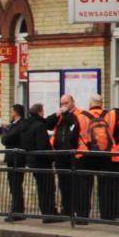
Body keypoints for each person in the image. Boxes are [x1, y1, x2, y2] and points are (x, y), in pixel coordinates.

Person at [44, 94, 86, 223]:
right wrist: (57, 114)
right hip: (60, 155)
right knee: (64, 184)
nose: (64, 105)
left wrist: (66, 114)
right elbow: (47, 124)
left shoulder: (78, 115)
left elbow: (75, 132)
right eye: (62, 103)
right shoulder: (60, 116)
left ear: (73, 102)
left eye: (66, 103)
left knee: (76, 185)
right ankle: (66, 209)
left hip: (74, 155)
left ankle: (78, 212)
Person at [72, 95, 112, 222]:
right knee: (105, 186)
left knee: (84, 186)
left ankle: (83, 216)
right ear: (101, 103)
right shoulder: (109, 116)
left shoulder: (80, 116)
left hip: (85, 155)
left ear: (90, 104)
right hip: (104, 155)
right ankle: (107, 215)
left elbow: (73, 137)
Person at [97, 105, 119, 220]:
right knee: (118, 185)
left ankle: (113, 211)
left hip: (114, 159)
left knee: (112, 186)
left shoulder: (116, 126)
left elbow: (111, 140)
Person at [24, 104, 56, 219]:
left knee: (41, 188)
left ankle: (46, 212)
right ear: (40, 112)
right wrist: (52, 157)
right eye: (43, 111)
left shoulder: (28, 124)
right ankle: (49, 213)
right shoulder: (39, 126)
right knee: (48, 188)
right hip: (42, 162)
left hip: (32, 161)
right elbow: (43, 146)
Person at [0, 104, 28, 221]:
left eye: (12, 111)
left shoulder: (20, 125)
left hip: (16, 159)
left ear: (16, 112)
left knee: (16, 185)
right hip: (12, 159)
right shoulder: (13, 125)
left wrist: (6, 132)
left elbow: (5, 139)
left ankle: (18, 212)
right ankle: (16, 210)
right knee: (13, 186)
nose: (10, 113)